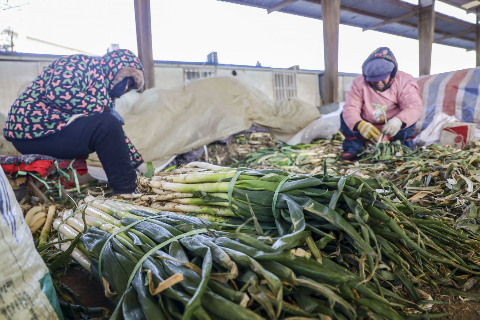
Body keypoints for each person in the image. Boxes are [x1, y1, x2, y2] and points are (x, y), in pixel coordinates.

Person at [3, 49, 145, 194]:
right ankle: (127, 191)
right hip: (31, 130)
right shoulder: (83, 64)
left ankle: (131, 186)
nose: (126, 88)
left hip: (51, 131)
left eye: (131, 86)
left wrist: (138, 162)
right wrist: (103, 110)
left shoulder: (105, 96)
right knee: (106, 123)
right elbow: (58, 92)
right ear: (117, 69)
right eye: (128, 81)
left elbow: (114, 134)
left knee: (107, 124)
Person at [340, 47, 423, 161]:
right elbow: (351, 107)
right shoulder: (359, 83)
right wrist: (360, 124)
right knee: (345, 116)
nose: (379, 83)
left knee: (408, 123)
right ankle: (353, 149)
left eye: (383, 78)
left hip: (393, 124)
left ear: (392, 72)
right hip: (368, 123)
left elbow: (414, 107)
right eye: (374, 79)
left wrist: (398, 121)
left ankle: (402, 148)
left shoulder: (404, 81)